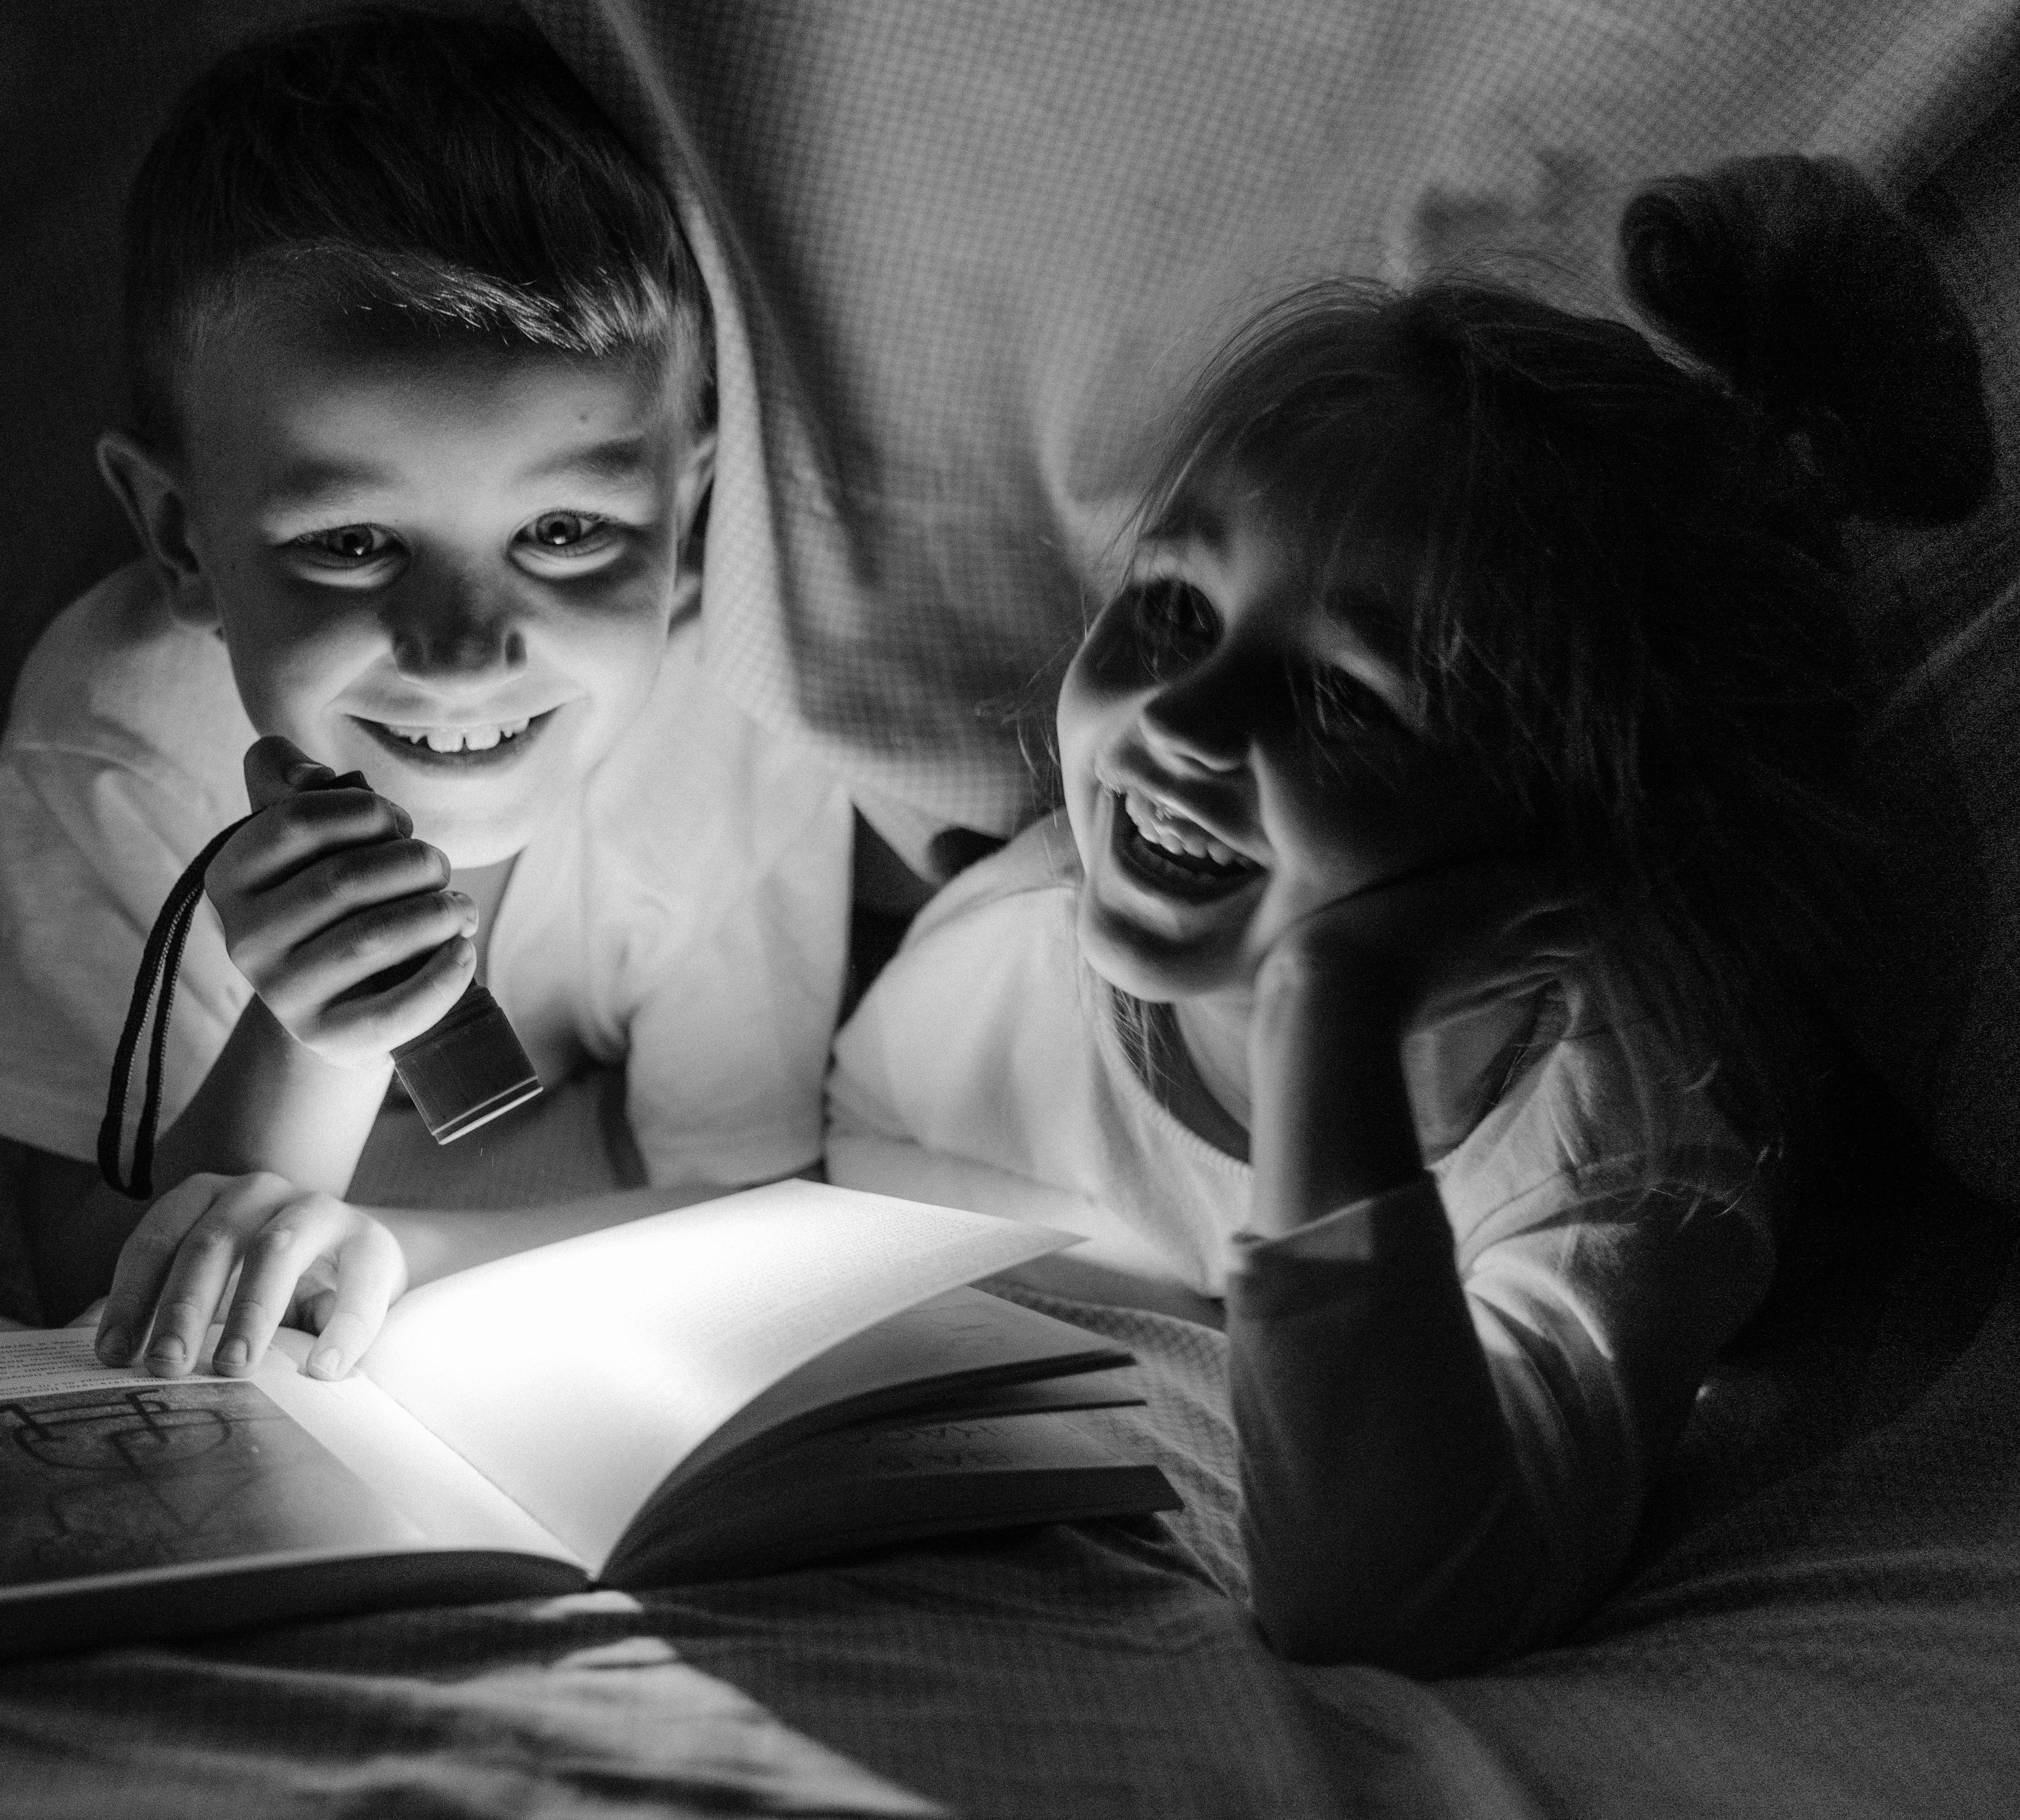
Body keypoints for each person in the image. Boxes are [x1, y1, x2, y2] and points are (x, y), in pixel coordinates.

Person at [824, 155, 1992, 1673]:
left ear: (1569, 856)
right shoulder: (1023, 949)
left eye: (1348, 702)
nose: (1186, 714)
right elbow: (872, 1116)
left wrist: (1338, 1015)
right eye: (1176, 609)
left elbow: (1381, 1598)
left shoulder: (1617, 1164)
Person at [0, 9, 849, 1381]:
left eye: (567, 533)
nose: (466, 652)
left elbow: (739, 1201)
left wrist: (400, 1250)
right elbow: (87, 1271)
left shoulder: (746, 723)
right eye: (353, 544)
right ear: (183, 538)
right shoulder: (114, 740)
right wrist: (317, 1039)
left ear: (686, 503)